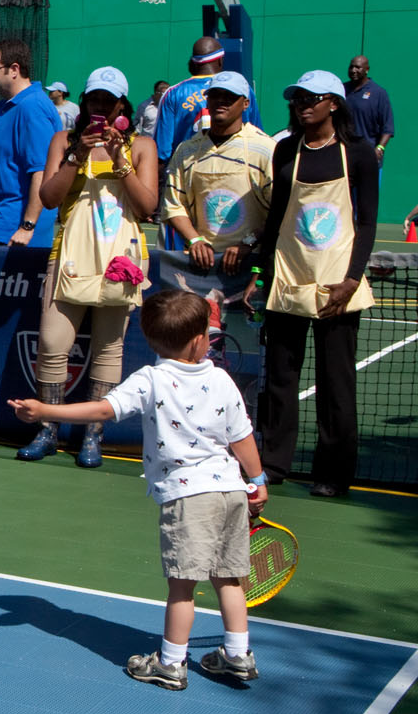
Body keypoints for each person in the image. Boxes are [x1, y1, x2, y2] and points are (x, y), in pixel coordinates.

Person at [8, 290, 268, 689]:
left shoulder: (150, 379)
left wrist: (45, 411)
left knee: (182, 587)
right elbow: (242, 437)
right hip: (231, 491)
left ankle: (170, 662)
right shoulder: (221, 378)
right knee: (230, 579)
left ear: (149, 339)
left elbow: (100, 410)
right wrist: (258, 480)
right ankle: (237, 655)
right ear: (202, 339)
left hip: (187, 498)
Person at [12, 67, 157, 467]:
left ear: (122, 105)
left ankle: (93, 436)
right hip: (68, 256)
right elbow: (50, 197)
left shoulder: (141, 145)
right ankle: (47, 429)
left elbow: (147, 206)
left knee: (109, 349)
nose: (99, 108)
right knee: (52, 342)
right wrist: (77, 155)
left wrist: (119, 158)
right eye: (93, 99)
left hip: (120, 258)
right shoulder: (64, 140)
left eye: (108, 102)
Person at [251, 69, 379, 497]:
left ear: (334, 103)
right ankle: (274, 463)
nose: (303, 104)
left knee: (336, 382)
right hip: (288, 279)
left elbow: (366, 221)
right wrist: (261, 274)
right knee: (281, 378)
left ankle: (334, 473)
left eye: (312, 98)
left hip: (336, 284)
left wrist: (351, 279)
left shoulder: (359, 153)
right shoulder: (285, 149)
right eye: (298, 98)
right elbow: (276, 217)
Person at [159, 72, 273, 328]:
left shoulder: (265, 149)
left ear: (245, 103)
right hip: (200, 272)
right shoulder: (187, 150)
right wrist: (196, 240)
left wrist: (247, 243)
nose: (221, 101)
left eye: (230, 97)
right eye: (215, 95)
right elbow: (173, 205)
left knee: (248, 352)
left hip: (252, 270)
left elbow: (280, 212)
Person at [0, 38, 61, 247]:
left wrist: (27, 226)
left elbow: (41, 172)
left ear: (14, 69)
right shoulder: (7, 106)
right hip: (2, 223)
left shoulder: (32, 107)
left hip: (20, 231)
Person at [154, 37, 260, 165]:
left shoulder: (173, 93)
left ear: (194, 63)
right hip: (236, 166)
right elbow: (256, 135)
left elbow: (162, 151)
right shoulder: (242, 89)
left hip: (188, 168)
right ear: (220, 60)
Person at [345, 55, 395, 167]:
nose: (353, 70)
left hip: (369, 155)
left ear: (367, 70)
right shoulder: (341, 89)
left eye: (358, 67)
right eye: (351, 67)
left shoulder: (378, 93)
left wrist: (379, 149)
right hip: (345, 154)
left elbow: (388, 128)